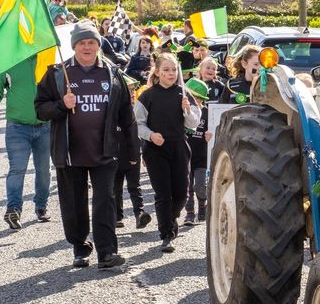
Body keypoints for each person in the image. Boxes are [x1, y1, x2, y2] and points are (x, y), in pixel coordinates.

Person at [35, 21, 138, 270]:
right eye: (82, 43)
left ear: (98, 44)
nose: (87, 47)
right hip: (70, 153)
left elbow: (127, 113)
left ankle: (106, 252)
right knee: (74, 204)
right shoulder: (58, 73)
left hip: (105, 152)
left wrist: (134, 150)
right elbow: (39, 109)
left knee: (105, 201)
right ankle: (80, 247)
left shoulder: (112, 74)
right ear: (74, 46)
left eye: (91, 42)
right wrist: (61, 104)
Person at [134, 53, 201, 252]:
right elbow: (137, 124)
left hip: (179, 146)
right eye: (166, 70)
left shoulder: (183, 93)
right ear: (157, 72)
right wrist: (151, 135)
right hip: (155, 150)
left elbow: (194, 124)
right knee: (163, 194)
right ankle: (166, 235)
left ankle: (171, 219)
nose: (171, 74)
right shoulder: (147, 95)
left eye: (173, 70)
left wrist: (187, 111)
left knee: (181, 193)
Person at [0, 57, 51, 230]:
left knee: (44, 169)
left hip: (46, 126)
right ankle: (13, 209)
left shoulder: (48, 58)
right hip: (17, 127)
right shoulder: (8, 61)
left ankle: (41, 206)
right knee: (17, 169)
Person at [183, 77, 211, 225]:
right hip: (186, 155)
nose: (194, 103)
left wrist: (210, 136)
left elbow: (213, 130)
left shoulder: (207, 113)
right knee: (187, 188)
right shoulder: (182, 111)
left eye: (197, 100)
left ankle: (202, 205)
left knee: (200, 186)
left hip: (201, 156)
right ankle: (189, 213)